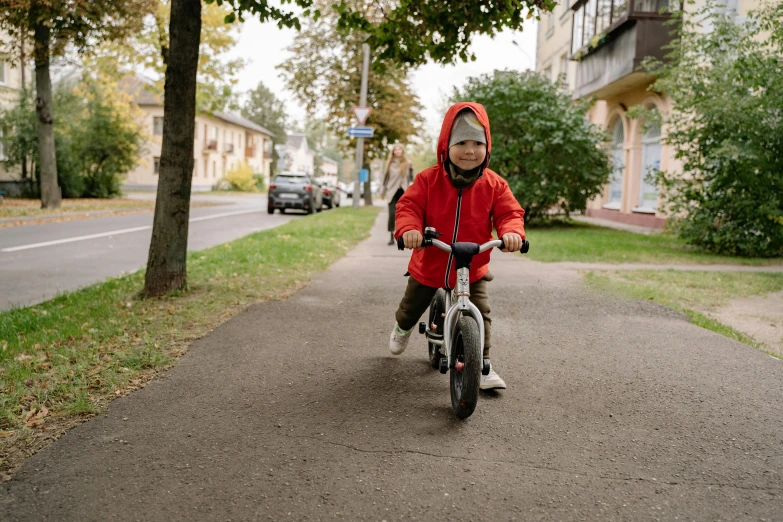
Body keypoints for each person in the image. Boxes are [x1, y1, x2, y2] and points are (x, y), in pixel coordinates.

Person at [388, 102, 525, 390]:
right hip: (431, 262)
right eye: (460, 142)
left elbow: (509, 213)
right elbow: (408, 205)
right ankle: (402, 328)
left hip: (472, 265)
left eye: (477, 143)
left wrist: (512, 232)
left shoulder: (495, 185)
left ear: (487, 147)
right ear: (446, 144)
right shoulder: (428, 180)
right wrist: (410, 229)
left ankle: (483, 365)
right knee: (411, 306)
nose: (469, 150)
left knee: (482, 312)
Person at [380, 144, 413, 246]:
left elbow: (411, 178)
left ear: (402, 151)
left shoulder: (407, 163)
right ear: (393, 152)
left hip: (403, 191)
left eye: (399, 149)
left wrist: (412, 189)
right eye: (395, 150)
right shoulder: (390, 164)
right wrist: (383, 191)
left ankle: (401, 237)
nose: (397, 151)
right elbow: (386, 179)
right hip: (392, 192)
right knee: (391, 214)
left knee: (403, 215)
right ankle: (391, 235)